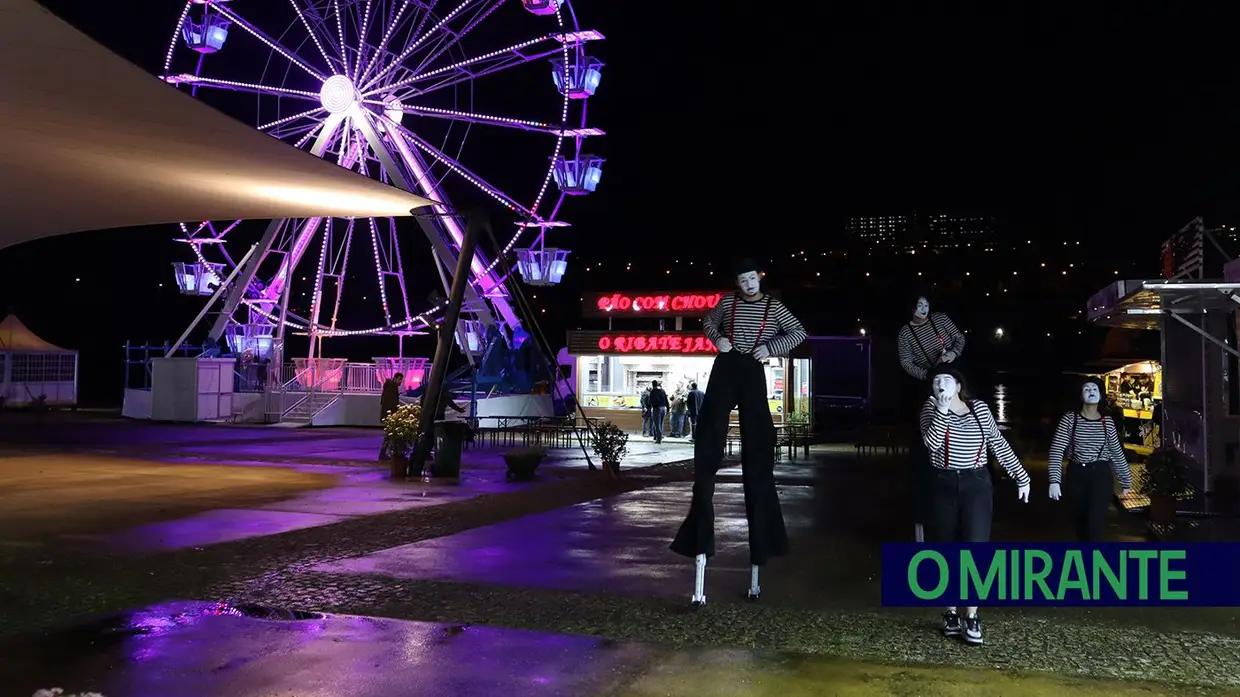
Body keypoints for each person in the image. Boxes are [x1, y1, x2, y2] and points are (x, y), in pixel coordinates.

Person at [671, 257, 807, 606]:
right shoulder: (727, 303)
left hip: (752, 368)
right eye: (742, 279)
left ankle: (763, 532)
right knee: (712, 426)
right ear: (737, 281)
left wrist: (770, 348)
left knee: (757, 440)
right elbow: (708, 322)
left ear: (759, 279)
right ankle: (705, 477)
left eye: (751, 278)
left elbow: (798, 331)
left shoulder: (773, 307)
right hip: (726, 365)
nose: (748, 284)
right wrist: (718, 340)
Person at [920, 365, 1030, 645]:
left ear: (958, 386)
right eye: (935, 381)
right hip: (943, 483)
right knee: (945, 547)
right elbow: (931, 445)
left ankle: (971, 614)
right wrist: (942, 412)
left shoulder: (979, 408)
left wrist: (1021, 475)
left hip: (976, 483)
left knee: (975, 547)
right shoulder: (930, 409)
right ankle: (950, 611)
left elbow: (997, 442)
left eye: (945, 380)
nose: (939, 385)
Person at [897, 294, 967, 543]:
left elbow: (960, 338)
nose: (923, 309)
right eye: (919, 305)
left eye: (926, 304)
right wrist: (928, 375)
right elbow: (906, 362)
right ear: (911, 308)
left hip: (953, 369)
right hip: (930, 376)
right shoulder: (906, 333)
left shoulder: (941, 319)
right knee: (930, 423)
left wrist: (952, 355)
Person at [1047, 377, 1132, 541]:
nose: (1091, 392)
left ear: (1100, 395)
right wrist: (1054, 480)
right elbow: (1057, 450)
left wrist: (1125, 480)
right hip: (1077, 474)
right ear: (1080, 395)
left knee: (1094, 525)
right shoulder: (1070, 419)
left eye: (1095, 389)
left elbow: (1116, 452)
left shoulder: (1107, 422)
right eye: (1087, 389)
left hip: (1100, 476)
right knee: (1082, 525)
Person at [378, 372, 404, 460]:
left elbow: (383, 401)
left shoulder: (388, 386)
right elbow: (392, 403)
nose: (401, 382)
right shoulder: (392, 387)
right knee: (390, 435)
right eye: (400, 379)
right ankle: (386, 453)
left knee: (390, 435)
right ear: (395, 378)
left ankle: (386, 452)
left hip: (388, 414)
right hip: (390, 415)